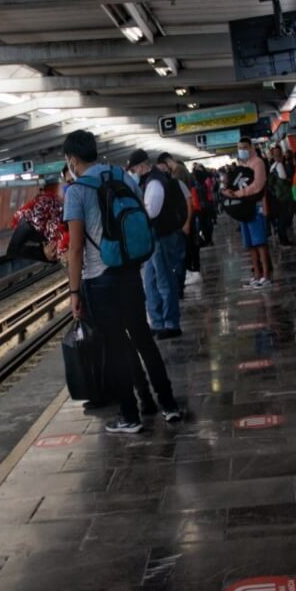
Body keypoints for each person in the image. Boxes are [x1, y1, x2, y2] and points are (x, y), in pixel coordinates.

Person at [65, 132, 182, 432]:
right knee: (144, 339)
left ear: (72, 160)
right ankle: (168, 404)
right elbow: (140, 215)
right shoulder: (121, 175)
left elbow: (76, 248)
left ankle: (130, 416)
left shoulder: (76, 191)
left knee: (116, 348)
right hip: (129, 272)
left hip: (99, 279)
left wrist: (74, 291)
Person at [127, 149, 187, 338]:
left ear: (141, 166)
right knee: (150, 281)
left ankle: (171, 324)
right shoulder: (150, 180)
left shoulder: (154, 182)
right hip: (155, 237)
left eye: (134, 169)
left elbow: (151, 212)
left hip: (162, 236)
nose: (134, 173)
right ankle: (158, 323)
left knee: (164, 281)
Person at [224, 139, 272, 287]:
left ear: (251, 147)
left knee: (260, 242)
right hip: (244, 208)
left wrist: (238, 194)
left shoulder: (258, 163)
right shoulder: (241, 165)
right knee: (250, 244)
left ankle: (266, 275)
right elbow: (234, 183)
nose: (242, 150)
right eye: (239, 148)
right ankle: (256, 275)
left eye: (244, 147)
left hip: (255, 207)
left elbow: (258, 186)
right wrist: (227, 190)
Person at [167, 157, 203, 287]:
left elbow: (187, 201)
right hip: (192, 215)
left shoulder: (179, 184)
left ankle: (193, 271)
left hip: (187, 217)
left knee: (188, 246)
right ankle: (193, 270)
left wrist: (186, 222)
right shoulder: (188, 181)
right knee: (192, 244)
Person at [266, 145, 294, 246]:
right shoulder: (279, 165)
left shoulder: (272, 166)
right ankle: (284, 239)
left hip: (277, 196)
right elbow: (284, 177)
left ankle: (282, 238)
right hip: (284, 195)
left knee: (281, 218)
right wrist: (288, 180)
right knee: (284, 217)